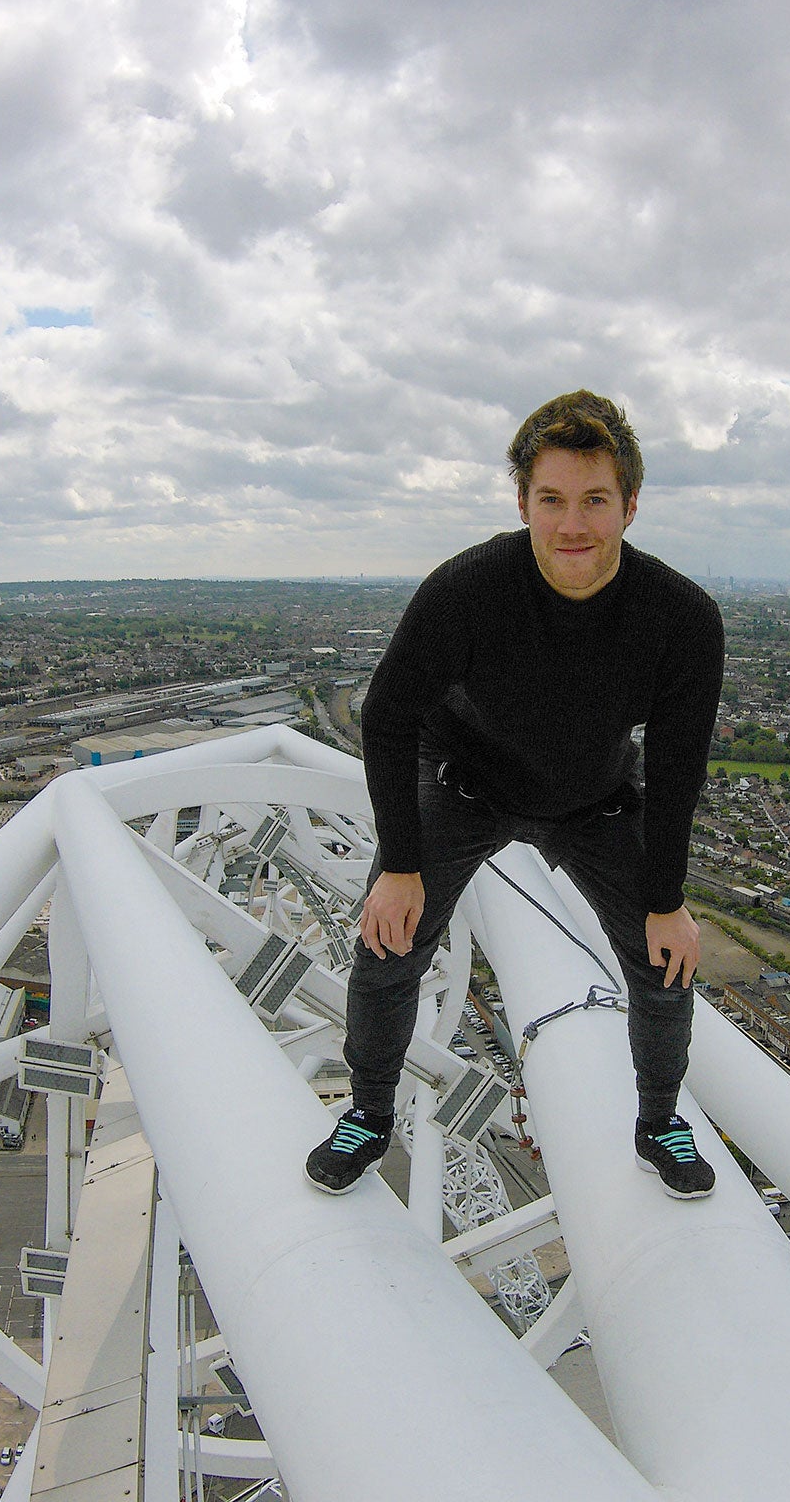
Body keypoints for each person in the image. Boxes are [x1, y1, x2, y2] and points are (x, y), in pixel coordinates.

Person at [305, 390, 726, 1199]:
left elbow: (678, 768)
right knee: (390, 939)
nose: (574, 525)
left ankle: (661, 1122)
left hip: (593, 797)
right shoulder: (469, 589)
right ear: (523, 503)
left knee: (665, 958)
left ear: (631, 507)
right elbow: (389, 716)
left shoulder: (679, 619)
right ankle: (367, 1112)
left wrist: (666, 899)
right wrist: (400, 866)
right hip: (465, 781)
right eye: (553, 500)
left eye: (594, 501)